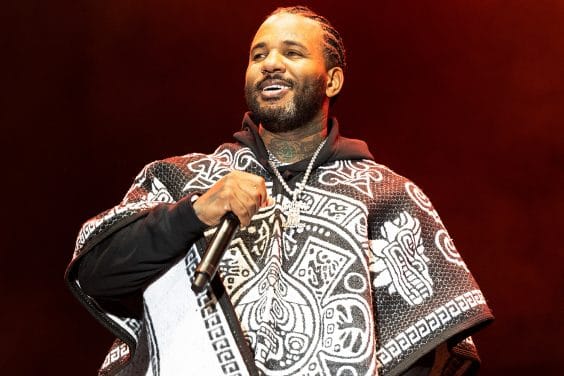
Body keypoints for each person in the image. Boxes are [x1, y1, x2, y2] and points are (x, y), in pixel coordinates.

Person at [66, 6, 493, 376]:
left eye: (292, 53)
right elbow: (97, 274)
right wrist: (192, 214)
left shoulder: (387, 195)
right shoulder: (182, 178)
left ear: (333, 81)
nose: (271, 63)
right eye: (258, 55)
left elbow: (433, 354)